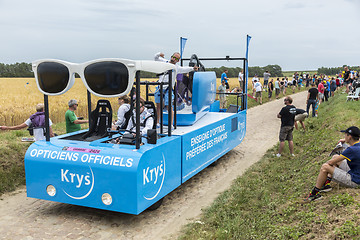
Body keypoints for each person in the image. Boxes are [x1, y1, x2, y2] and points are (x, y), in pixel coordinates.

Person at [305, 126, 360, 202]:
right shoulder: (357, 145)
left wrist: (328, 165)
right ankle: (326, 185)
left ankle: (314, 194)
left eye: (345, 134)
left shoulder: (351, 150)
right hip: (356, 172)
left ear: (349, 137)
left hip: (356, 181)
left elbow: (331, 162)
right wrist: (345, 140)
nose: (344, 136)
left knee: (325, 167)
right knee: (335, 157)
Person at [154, 52, 198, 127]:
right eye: (173, 57)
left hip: (168, 89)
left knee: (169, 107)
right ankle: (158, 123)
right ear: (171, 56)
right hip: (160, 87)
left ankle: (171, 125)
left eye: (176, 58)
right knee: (158, 106)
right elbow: (156, 58)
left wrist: (192, 68)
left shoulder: (176, 67)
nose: (174, 59)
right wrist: (159, 54)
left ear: (178, 60)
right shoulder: (164, 62)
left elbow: (184, 69)